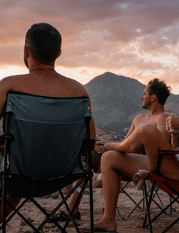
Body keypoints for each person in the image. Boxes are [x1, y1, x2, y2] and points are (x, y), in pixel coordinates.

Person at [0, 23, 96, 229]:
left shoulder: (9, 85)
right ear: (59, 53)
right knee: (17, 164)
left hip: (21, 176)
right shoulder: (80, 92)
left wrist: (13, 147)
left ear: (27, 51)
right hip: (62, 176)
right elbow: (89, 142)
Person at [80, 72, 179, 233]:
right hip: (177, 164)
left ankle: (111, 145)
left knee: (147, 129)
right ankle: (108, 220)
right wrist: (175, 132)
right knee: (109, 158)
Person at [61, 78, 173, 221]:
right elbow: (125, 143)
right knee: (87, 157)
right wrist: (104, 147)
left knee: (106, 155)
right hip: (124, 157)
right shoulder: (138, 118)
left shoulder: (163, 118)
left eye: (144, 93)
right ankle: (72, 208)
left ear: (153, 97)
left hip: (145, 164)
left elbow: (160, 147)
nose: (141, 97)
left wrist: (109, 147)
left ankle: (86, 212)